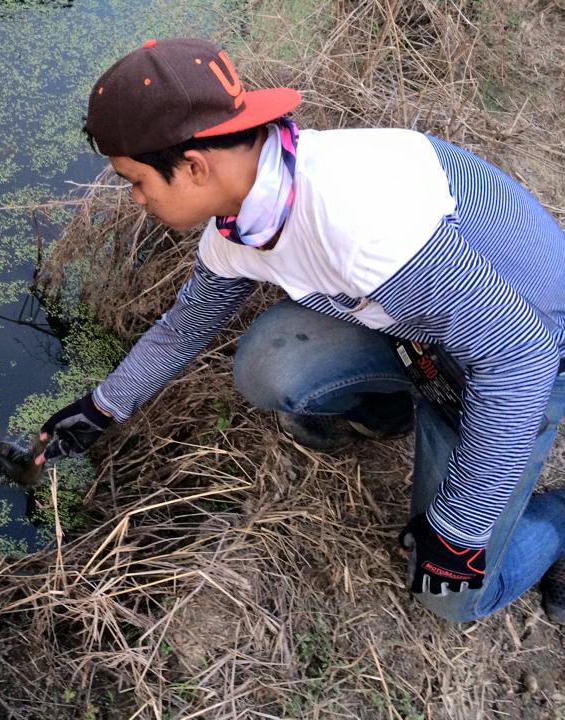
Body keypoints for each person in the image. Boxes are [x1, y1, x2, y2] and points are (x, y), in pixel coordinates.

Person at [34, 37, 565, 624]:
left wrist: (456, 526)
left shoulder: (359, 221)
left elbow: (521, 358)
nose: (136, 200)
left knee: (450, 597)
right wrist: (102, 408)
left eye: (136, 181)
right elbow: (186, 326)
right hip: (421, 328)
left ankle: (559, 517)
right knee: (271, 362)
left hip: (524, 358)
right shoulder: (248, 216)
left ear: (193, 166)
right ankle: (394, 407)